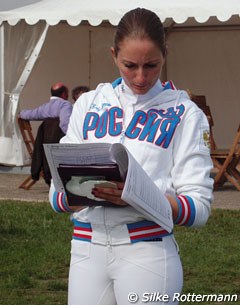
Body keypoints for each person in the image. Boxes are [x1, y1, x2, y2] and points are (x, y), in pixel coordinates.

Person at [49, 8, 213, 305]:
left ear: (166, 53)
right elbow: (55, 196)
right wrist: (82, 190)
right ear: (113, 55)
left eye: (151, 65)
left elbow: (198, 208)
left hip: (147, 250)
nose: (141, 76)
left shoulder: (185, 113)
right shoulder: (88, 104)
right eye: (129, 65)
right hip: (86, 247)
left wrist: (138, 195)